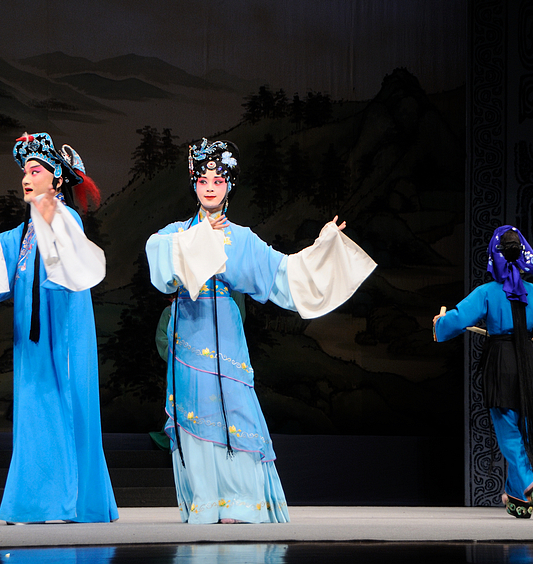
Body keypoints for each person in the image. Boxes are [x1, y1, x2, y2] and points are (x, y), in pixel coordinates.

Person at [145, 139, 376, 524]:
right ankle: (206, 501)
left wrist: (323, 247)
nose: (210, 187)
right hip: (189, 332)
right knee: (194, 412)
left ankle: (240, 502)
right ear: (194, 183)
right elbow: (159, 264)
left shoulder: (241, 239)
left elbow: (284, 273)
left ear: (229, 185)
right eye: (203, 180)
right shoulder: (176, 233)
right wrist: (198, 239)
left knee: (236, 408)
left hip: (225, 332)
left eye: (218, 180)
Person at [0, 132, 118, 524]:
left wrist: (51, 220)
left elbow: (71, 258)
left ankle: (69, 502)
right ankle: (35, 503)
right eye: (25, 172)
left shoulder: (66, 219)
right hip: (31, 340)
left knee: (64, 404)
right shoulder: (23, 233)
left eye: (35, 171)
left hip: (63, 331)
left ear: (57, 179)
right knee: (34, 411)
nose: (26, 178)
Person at [433, 225, 533, 520]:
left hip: (502, 363)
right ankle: (519, 498)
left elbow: (458, 319)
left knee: (509, 433)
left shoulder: (487, 292)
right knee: (527, 431)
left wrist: (439, 324)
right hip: (531, 363)